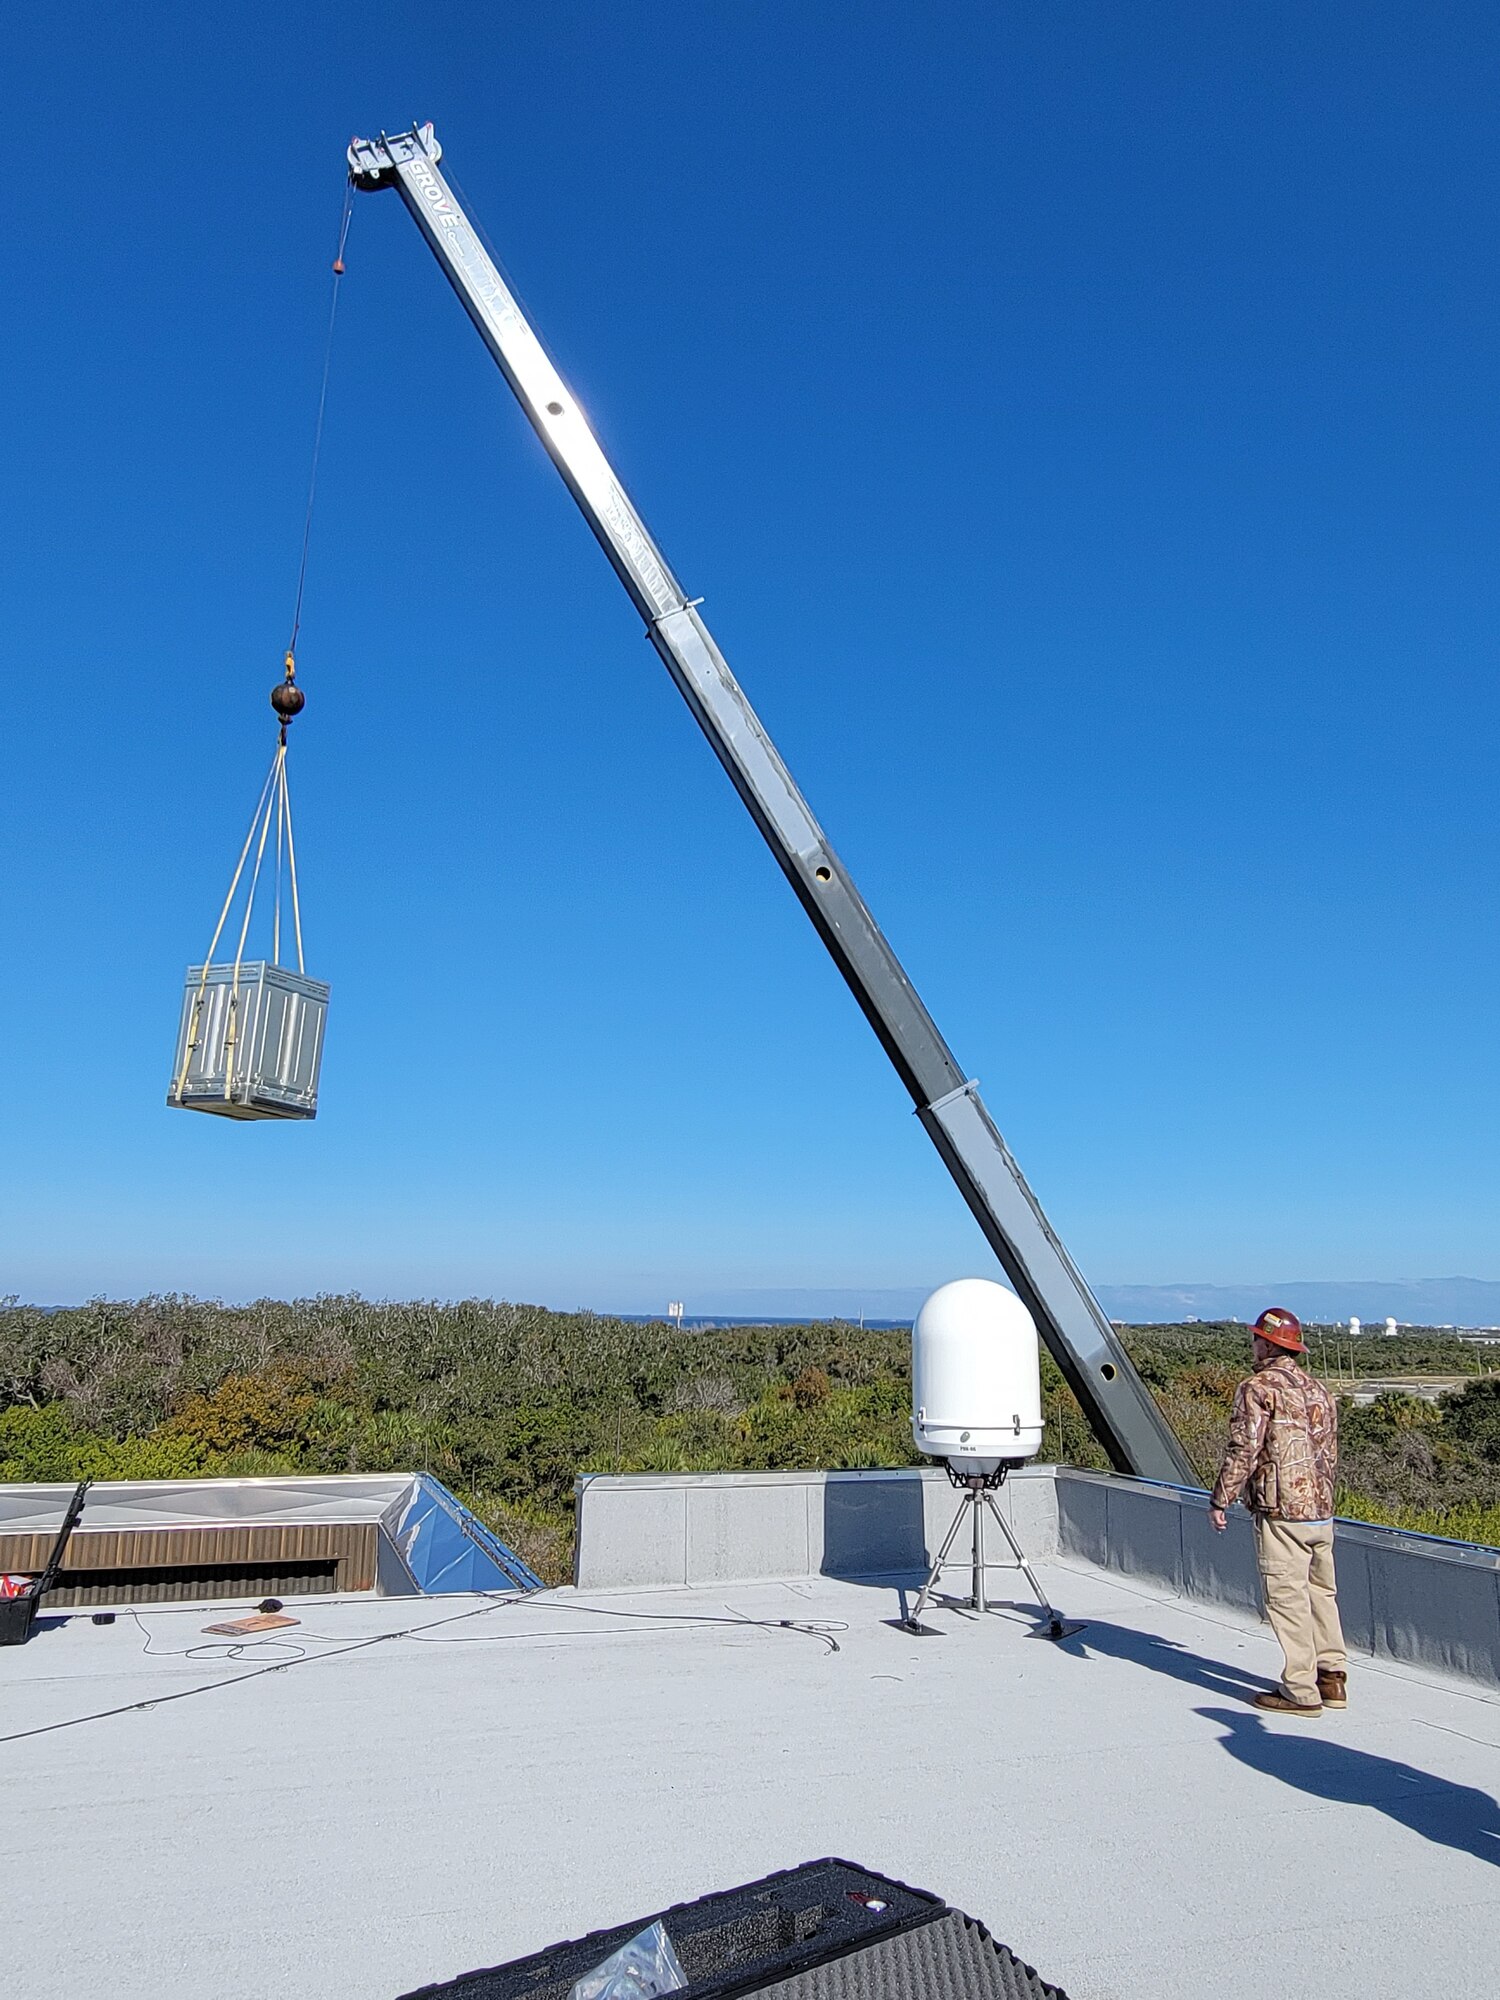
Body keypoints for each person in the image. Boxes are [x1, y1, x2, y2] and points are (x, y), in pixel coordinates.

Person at [1208, 1307, 1347, 1716]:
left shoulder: (1257, 1388)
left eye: (1255, 1339)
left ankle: (1300, 1690)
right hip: (1321, 1509)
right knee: (1322, 1593)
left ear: (1268, 1343)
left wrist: (1221, 1498)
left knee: (1287, 1598)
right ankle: (1332, 1676)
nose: (1252, 1345)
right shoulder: (1319, 1390)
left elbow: (1245, 1448)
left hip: (1282, 1509)